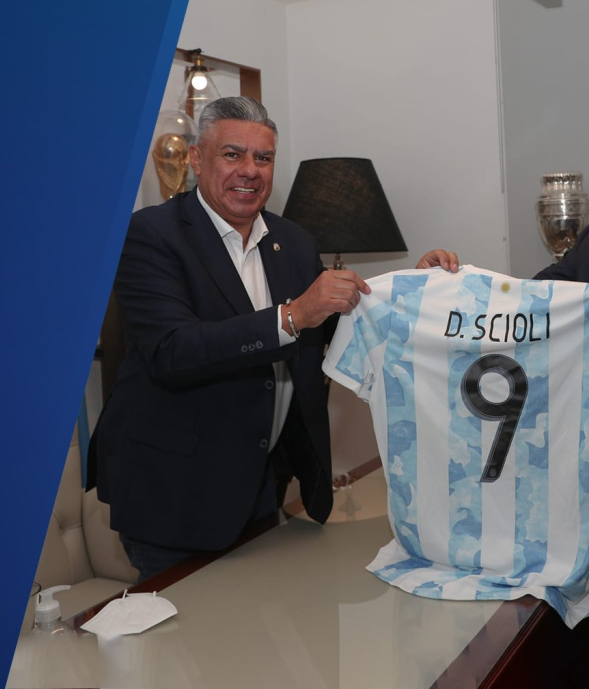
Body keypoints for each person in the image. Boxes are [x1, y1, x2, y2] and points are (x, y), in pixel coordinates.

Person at [90, 96, 457, 581]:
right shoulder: (150, 234)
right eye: (233, 154)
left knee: (259, 619)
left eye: (263, 158)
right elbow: (173, 351)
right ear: (197, 158)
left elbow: (335, 326)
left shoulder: (295, 241)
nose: (250, 170)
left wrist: (413, 288)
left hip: (263, 482)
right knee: (191, 628)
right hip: (175, 492)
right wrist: (291, 316)